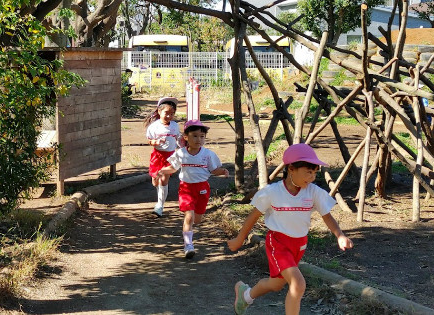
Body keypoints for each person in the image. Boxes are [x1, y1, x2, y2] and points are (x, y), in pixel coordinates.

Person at [227, 143, 353, 315]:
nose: (312, 177)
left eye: (315, 172)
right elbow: (253, 216)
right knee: (298, 284)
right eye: (308, 172)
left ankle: (246, 295)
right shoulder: (272, 192)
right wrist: (240, 239)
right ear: (291, 169)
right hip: (278, 243)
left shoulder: (313, 192)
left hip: (299, 244)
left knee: (276, 284)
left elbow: (327, 216)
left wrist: (340, 235)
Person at [156, 119, 229, 259]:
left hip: (202, 188)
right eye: (194, 136)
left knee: (197, 219)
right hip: (186, 188)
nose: (198, 139)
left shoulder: (208, 154)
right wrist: (162, 171)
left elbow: (214, 170)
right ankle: (188, 245)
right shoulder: (181, 153)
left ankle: (190, 232)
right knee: (189, 217)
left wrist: (223, 171)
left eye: (202, 136)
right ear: (186, 137)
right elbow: (174, 167)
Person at [144, 97, 182, 217]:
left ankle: (160, 206)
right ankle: (159, 199)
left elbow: (178, 139)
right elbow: (149, 141)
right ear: (159, 111)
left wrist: (183, 145)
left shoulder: (175, 126)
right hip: (157, 156)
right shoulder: (154, 127)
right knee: (155, 181)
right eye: (166, 113)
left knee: (164, 180)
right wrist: (156, 142)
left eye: (172, 114)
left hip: (170, 157)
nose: (169, 116)